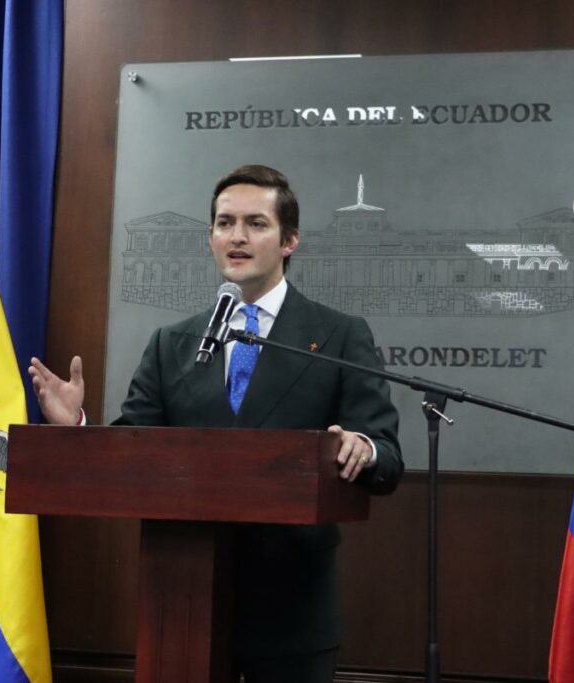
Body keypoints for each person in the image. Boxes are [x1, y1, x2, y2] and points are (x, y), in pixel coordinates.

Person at [29, 164, 402, 683]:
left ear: (289, 240)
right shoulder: (172, 344)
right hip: (182, 606)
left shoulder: (338, 335)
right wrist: (81, 427)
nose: (238, 237)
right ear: (210, 237)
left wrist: (363, 446)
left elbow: (386, 454)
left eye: (256, 223)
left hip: (290, 609)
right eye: (224, 223)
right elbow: (132, 452)